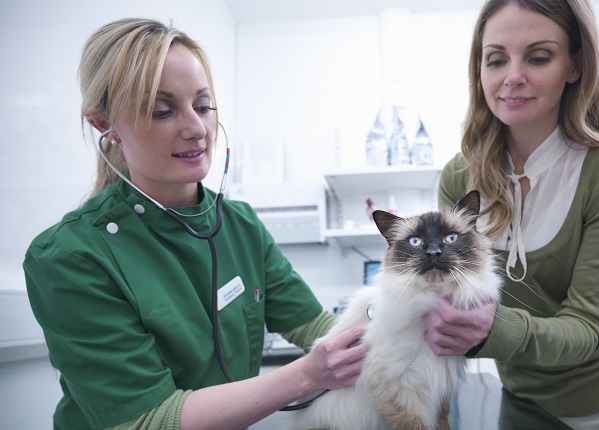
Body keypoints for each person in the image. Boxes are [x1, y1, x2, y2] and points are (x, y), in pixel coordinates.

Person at [22, 18, 367, 430]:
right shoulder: (69, 257)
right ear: (104, 125)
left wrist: (405, 324)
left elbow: (314, 327)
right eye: (162, 111)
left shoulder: (240, 225)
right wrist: (307, 375)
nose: (196, 129)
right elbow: (146, 420)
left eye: (203, 106)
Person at [425, 0, 599, 428]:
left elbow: (586, 327)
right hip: (517, 399)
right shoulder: (460, 176)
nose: (513, 77)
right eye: (496, 59)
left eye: (538, 56)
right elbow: (446, 292)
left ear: (574, 65)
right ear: (480, 70)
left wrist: (494, 331)